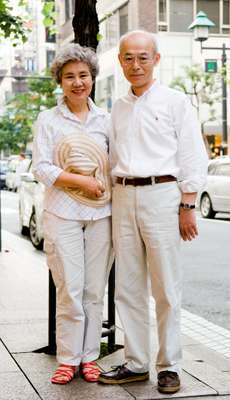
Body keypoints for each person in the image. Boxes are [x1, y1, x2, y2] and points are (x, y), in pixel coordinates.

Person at [98, 31, 208, 394]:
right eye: (128, 58)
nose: (136, 64)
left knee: (166, 288)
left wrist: (188, 205)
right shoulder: (118, 106)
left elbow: (192, 155)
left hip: (163, 195)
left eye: (143, 57)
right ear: (121, 62)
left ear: (156, 60)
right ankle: (135, 361)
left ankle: (169, 366)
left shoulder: (176, 102)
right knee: (127, 287)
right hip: (123, 194)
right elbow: (113, 158)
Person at [32, 43, 113, 385]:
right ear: (60, 82)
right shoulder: (48, 119)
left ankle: (90, 357)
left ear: (92, 78)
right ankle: (67, 359)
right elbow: (42, 167)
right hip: (62, 213)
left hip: (101, 214)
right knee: (69, 287)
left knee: (94, 290)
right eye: (69, 77)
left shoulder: (107, 120)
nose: (77, 83)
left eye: (83, 75)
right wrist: (80, 179)